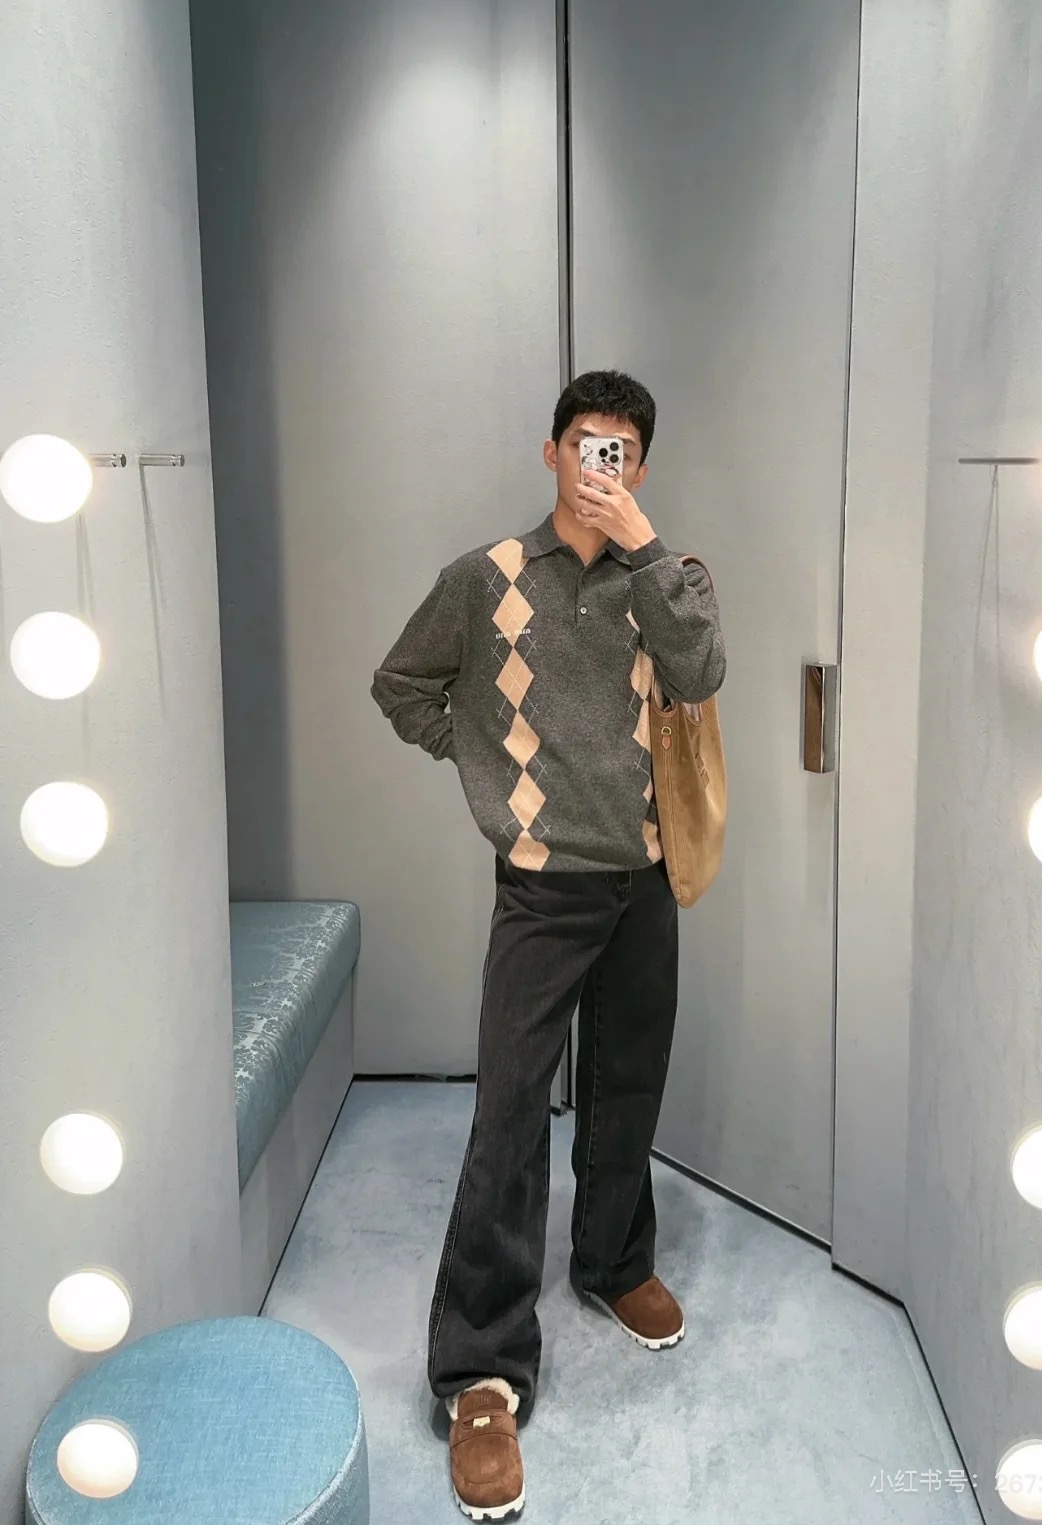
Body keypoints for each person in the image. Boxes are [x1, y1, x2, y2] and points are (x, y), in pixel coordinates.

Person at [372, 369, 726, 1520]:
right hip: (540, 889)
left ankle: (613, 1262)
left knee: (628, 1084)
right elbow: (402, 685)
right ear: (551, 453)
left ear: (640, 467)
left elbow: (700, 672)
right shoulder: (485, 578)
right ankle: (481, 1371)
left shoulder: (668, 577)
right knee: (512, 1112)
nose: (596, 466)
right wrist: (485, 766)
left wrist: (645, 545)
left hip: (644, 880)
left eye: (618, 450)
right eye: (583, 445)